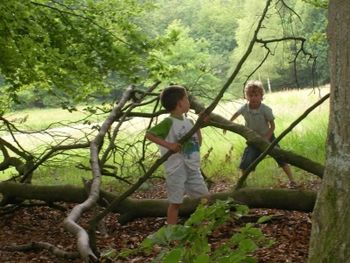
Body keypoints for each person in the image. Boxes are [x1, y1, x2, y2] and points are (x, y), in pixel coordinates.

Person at [145, 85, 209, 224]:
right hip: (176, 169)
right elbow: (149, 135)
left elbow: (199, 143)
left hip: (192, 167)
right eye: (186, 98)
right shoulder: (169, 122)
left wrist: (198, 126)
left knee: (205, 199)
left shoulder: (189, 122)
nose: (188, 101)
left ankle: (202, 226)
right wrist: (170, 145)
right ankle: (171, 233)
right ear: (179, 103)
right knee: (176, 203)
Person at [227, 80, 297, 188]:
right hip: (253, 139)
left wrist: (266, 137)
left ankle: (292, 180)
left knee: (281, 158)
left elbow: (272, 126)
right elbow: (236, 114)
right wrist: (228, 124)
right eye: (250, 95)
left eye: (256, 95)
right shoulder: (245, 108)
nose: (253, 97)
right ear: (246, 96)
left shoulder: (265, 109)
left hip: (268, 137)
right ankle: (242, 182)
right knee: (247, 159)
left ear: (261, 96)